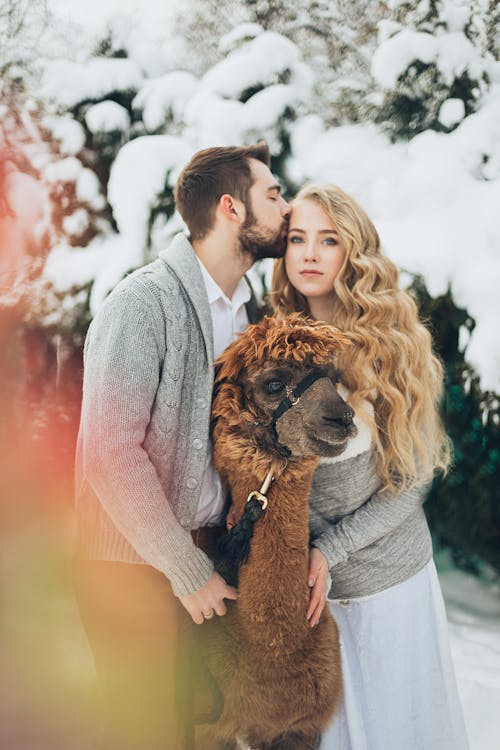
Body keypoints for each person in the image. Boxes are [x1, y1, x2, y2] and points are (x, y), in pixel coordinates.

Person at [73, 142, 290, 750]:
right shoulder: (142, 304)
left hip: (206, 558)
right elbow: (110, 453)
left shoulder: (253, 314)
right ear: (231, 208)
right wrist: (185, 568)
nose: (286, 207)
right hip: (127, 566)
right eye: (273, 195)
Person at [272, 183, 469, 749]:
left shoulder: (392, 345)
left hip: (388, 583)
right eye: (297, 239)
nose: (309, 254)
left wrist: (327, 551)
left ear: (352, 252)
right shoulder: (275, 343)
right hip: (312, 591)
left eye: (328, 240)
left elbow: (412, 481)